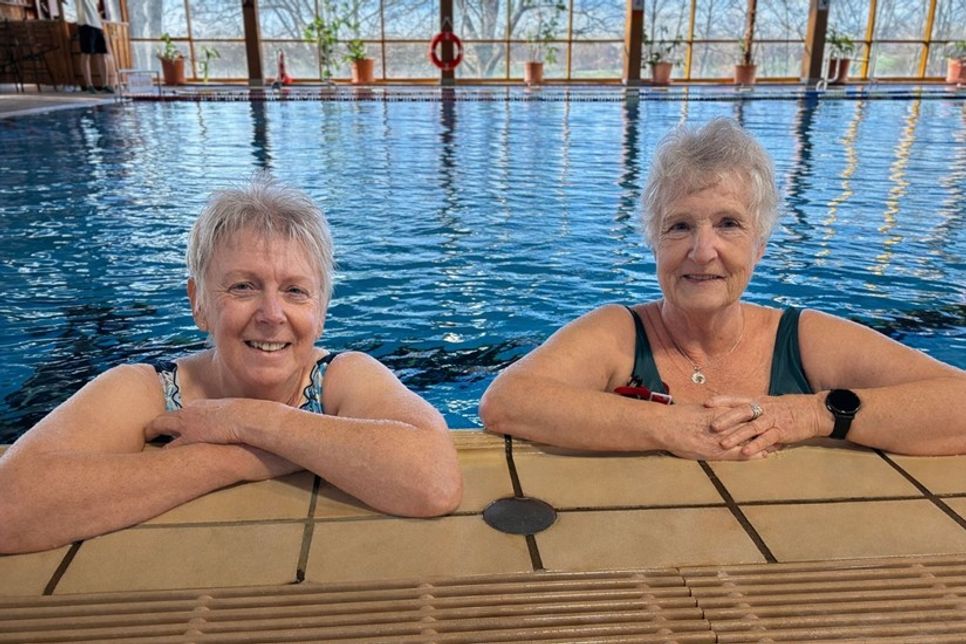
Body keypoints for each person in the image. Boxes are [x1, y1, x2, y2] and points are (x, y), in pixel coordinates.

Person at [0, 174, 462, 554]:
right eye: (243, 287)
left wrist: (246, 420)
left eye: (295, 291)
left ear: (320, 312)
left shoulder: (341, 376)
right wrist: (240, 459)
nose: (272, 315)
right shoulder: (145, 391)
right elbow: (9, 507)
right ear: (198, 302)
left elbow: (434, 480)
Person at [480, 118, 966, 460]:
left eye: (729, 224)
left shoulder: (803, 340)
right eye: (679, 227)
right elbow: (507, 401)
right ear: (654, 242)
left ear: (759, 246)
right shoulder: (620, 333)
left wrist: (809, 414)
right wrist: (669, 427)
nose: (703, 250)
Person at [74, 0, 115, 94]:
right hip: (85, 24)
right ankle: (89, 84)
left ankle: (105, 84)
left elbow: (96, 8)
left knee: (102, 54)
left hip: (97, 25)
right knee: (86, 54)